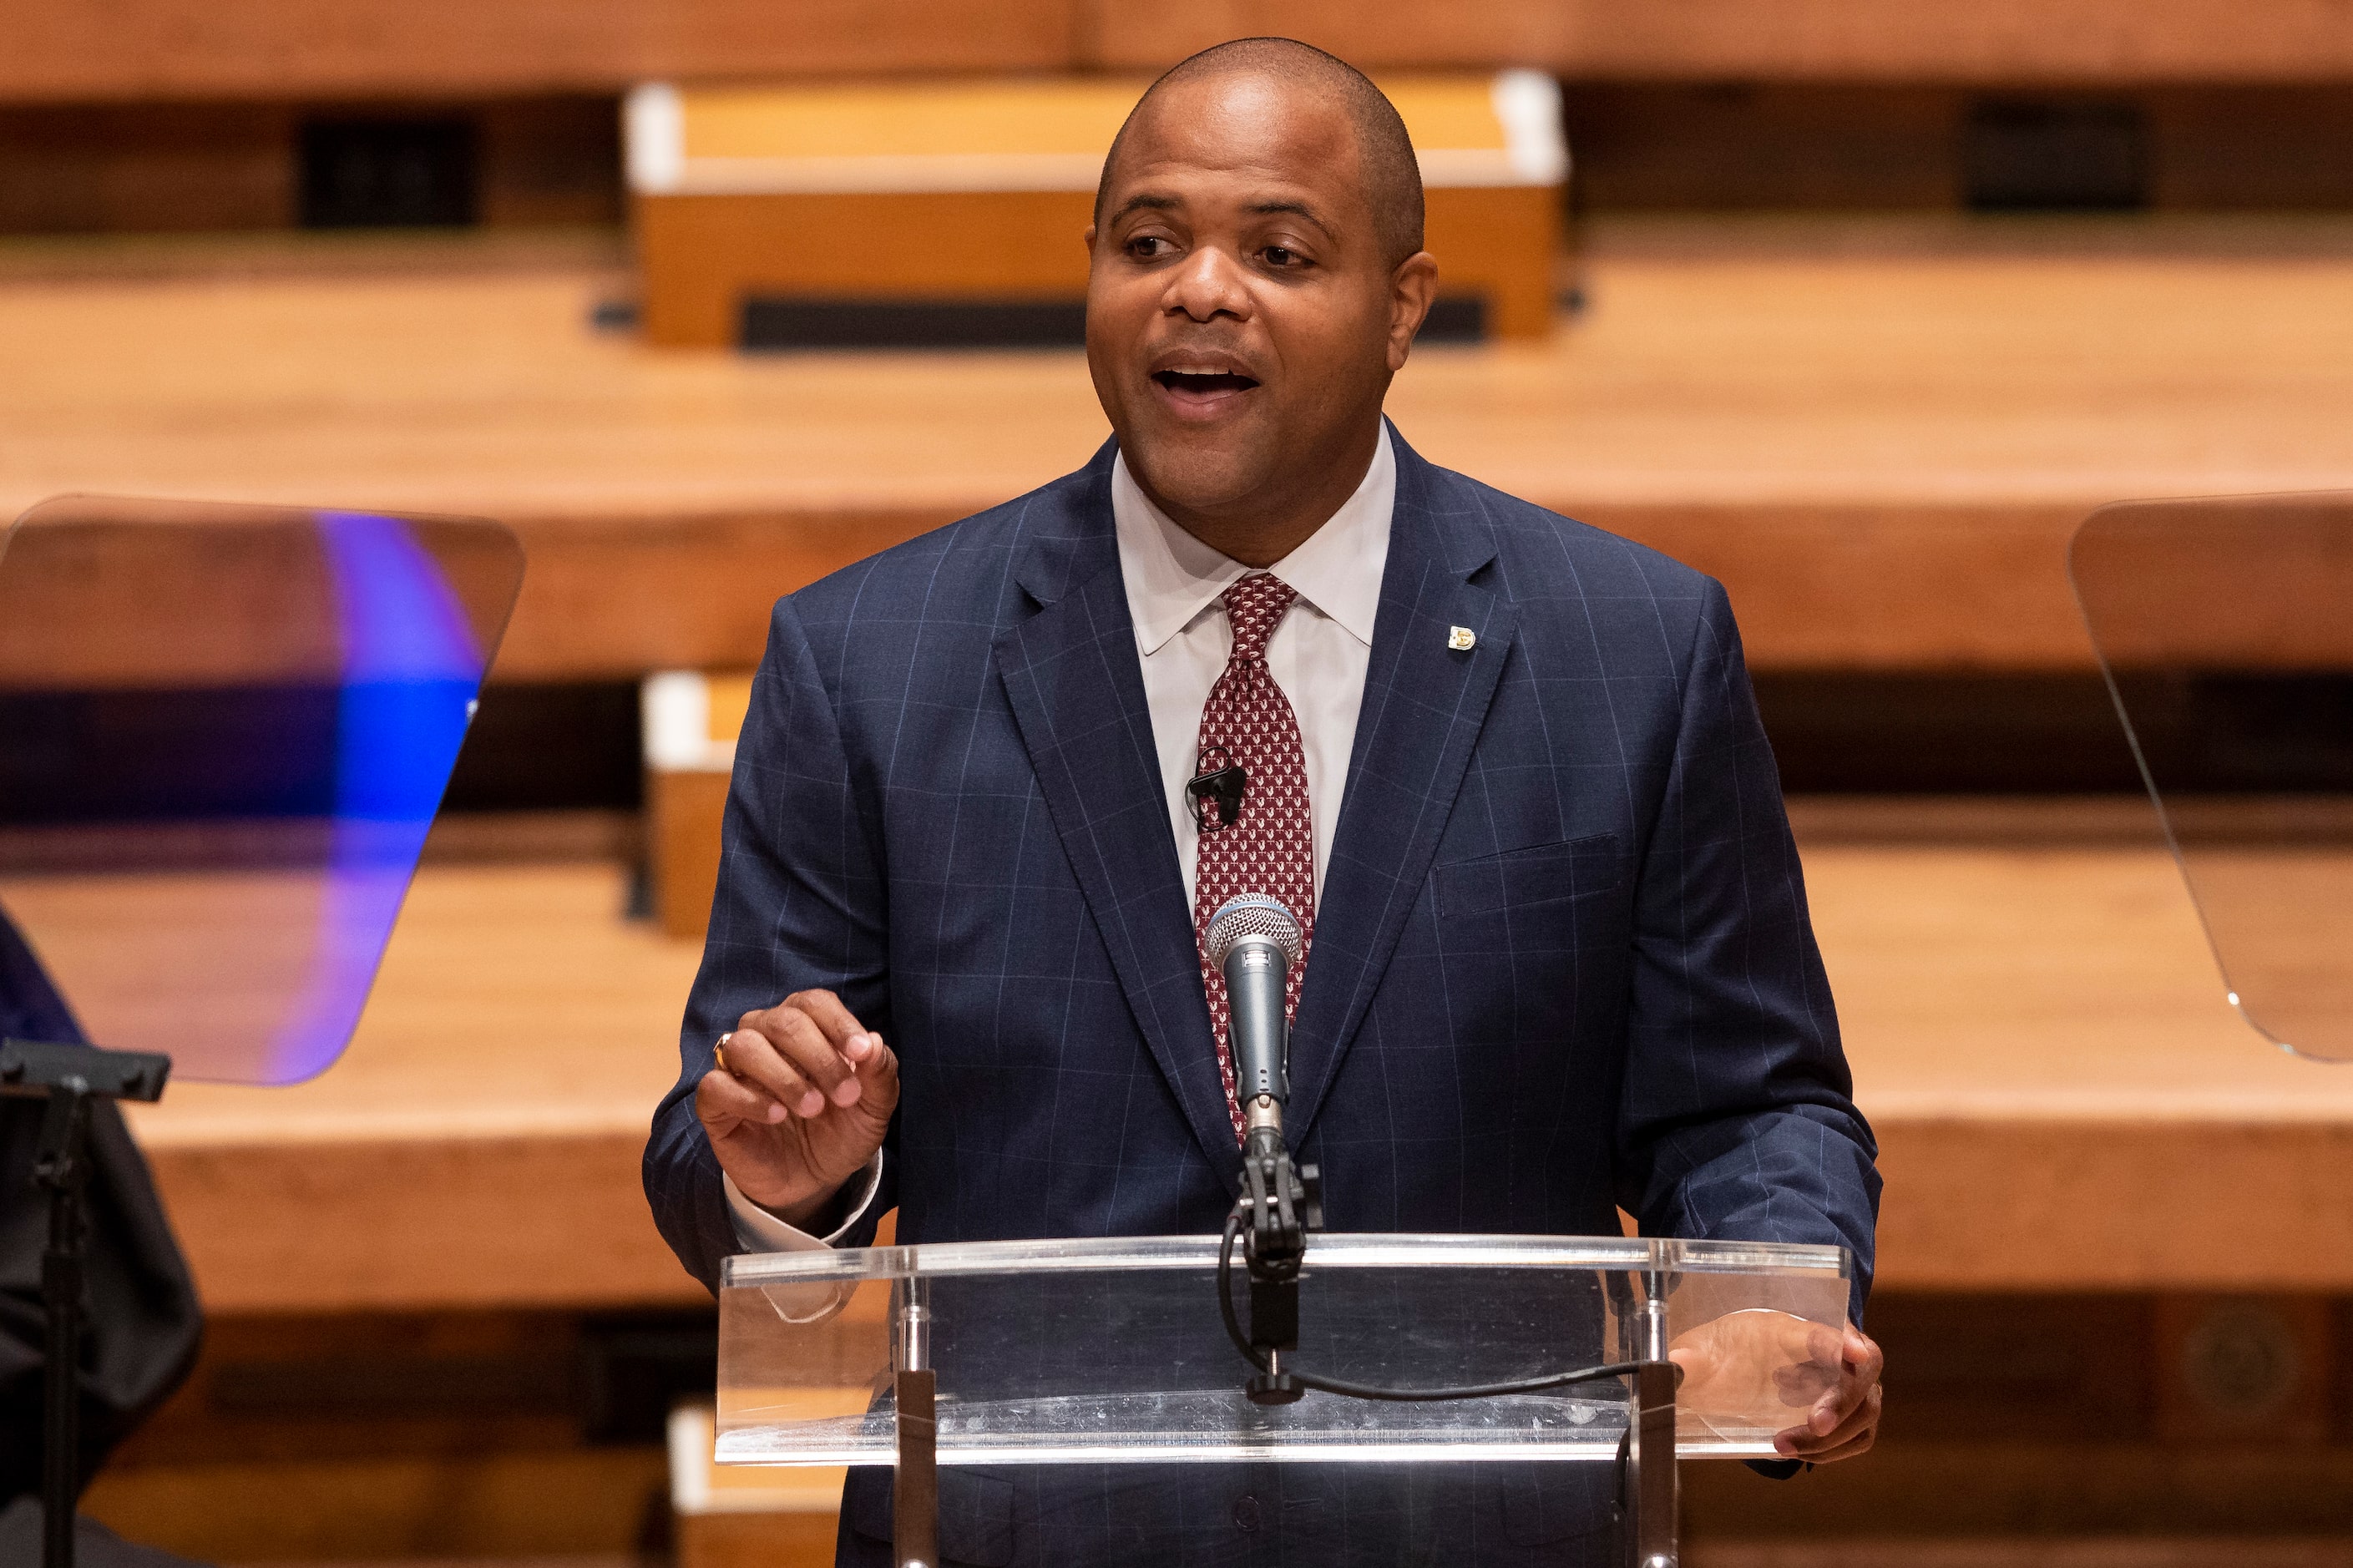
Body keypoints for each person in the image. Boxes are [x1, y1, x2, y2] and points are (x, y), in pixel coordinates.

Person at [645, 38, 1882, 1565]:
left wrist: (1758, 1297)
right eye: (1146, 243)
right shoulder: (867, 664)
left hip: (1483, 1528)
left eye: (1277, 251)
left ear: (1402, 310)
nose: (1199, 290)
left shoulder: (1628, 650)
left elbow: (1747, 1099)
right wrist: (793, 1197)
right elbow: (731, 1149)